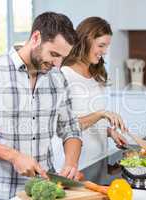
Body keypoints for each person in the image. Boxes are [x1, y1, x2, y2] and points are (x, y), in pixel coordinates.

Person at [0, 12, 83, 199]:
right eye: (54, 54)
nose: (57, 64)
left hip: (45, 191)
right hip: (1, 193)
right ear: (36, 38)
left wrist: (71, 164)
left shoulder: (57, 78)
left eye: (62, 58)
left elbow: (70, 128)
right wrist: (14, 156)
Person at [52, 17, 128, 171]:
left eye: (107, 46)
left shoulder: (96, 74)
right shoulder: (64, 76)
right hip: (74, 167)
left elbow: (91, 121)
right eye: (101, 45)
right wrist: (101, 114)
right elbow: (62, 126)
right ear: (85, 41)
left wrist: (109, 132)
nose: (105, 52)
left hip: (98, 161)